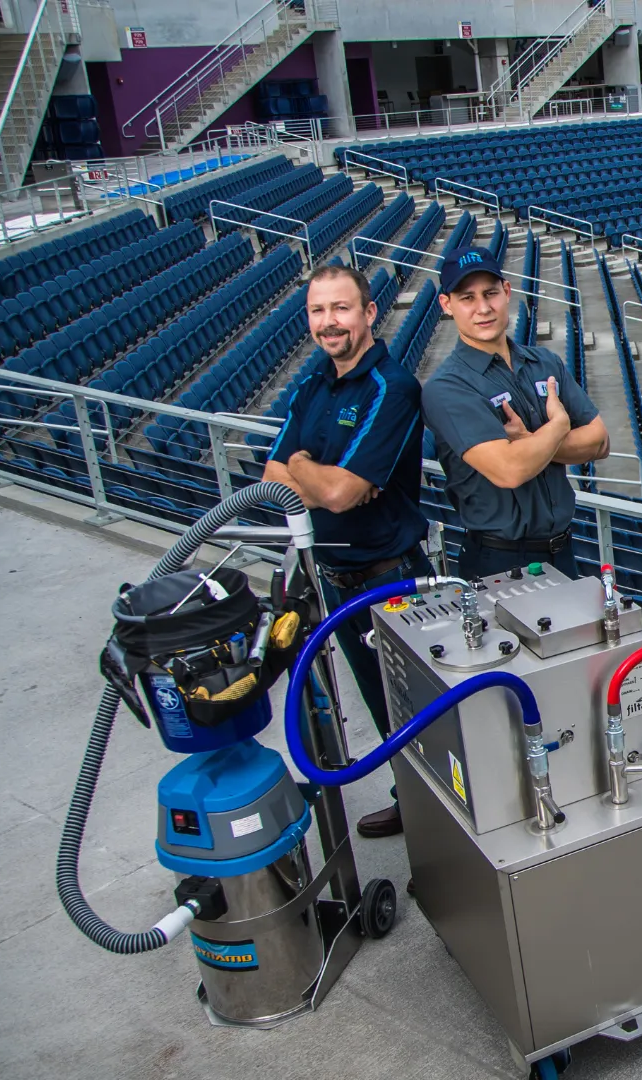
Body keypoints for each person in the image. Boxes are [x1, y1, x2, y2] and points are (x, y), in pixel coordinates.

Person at [262, 264, 431, 839]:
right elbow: (271, 475)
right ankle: (413, 804)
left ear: (368, 314)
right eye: (317, 310)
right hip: (337, 579)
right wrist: (324, 478)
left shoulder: (393, 386)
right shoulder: (312, 386)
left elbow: (335, 492)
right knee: (385, 710)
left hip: (392, 580)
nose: (328, 322)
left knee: (422, 710)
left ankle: (449, 824)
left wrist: (308, 468)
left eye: (340, 308)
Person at [422, 247, 609, 579]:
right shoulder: (447, 387)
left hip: (563, 551)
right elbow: (509, 469)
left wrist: (530, 441)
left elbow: (600, 441)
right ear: (447, 305)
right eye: (467, 298)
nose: (483, 308)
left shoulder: (544, 362)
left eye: (491, 293)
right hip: (499, 559)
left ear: (506, 292)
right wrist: (559, 426)